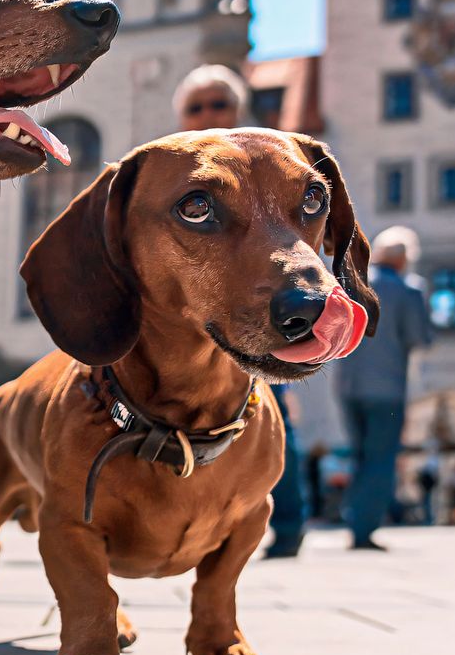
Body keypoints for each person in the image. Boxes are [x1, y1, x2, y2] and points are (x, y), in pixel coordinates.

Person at [172, 63, 306, 556]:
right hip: (195, 322)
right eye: (197, 106)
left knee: (273, 419)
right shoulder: (168, 172)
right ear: (183, 117)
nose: (208, 114)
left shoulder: (263, 166)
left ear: (238, 110)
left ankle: (288, 523)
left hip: (258, 310)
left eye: (219, 104)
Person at [334, 223, 432, 551]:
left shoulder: (353, 282)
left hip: (348, 385)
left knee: (360, 455)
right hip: (386, 390)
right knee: (380, 458)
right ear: (403, 260)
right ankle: (363, 527)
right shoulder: (409, 290)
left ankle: (353, 518)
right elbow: (420, 338)